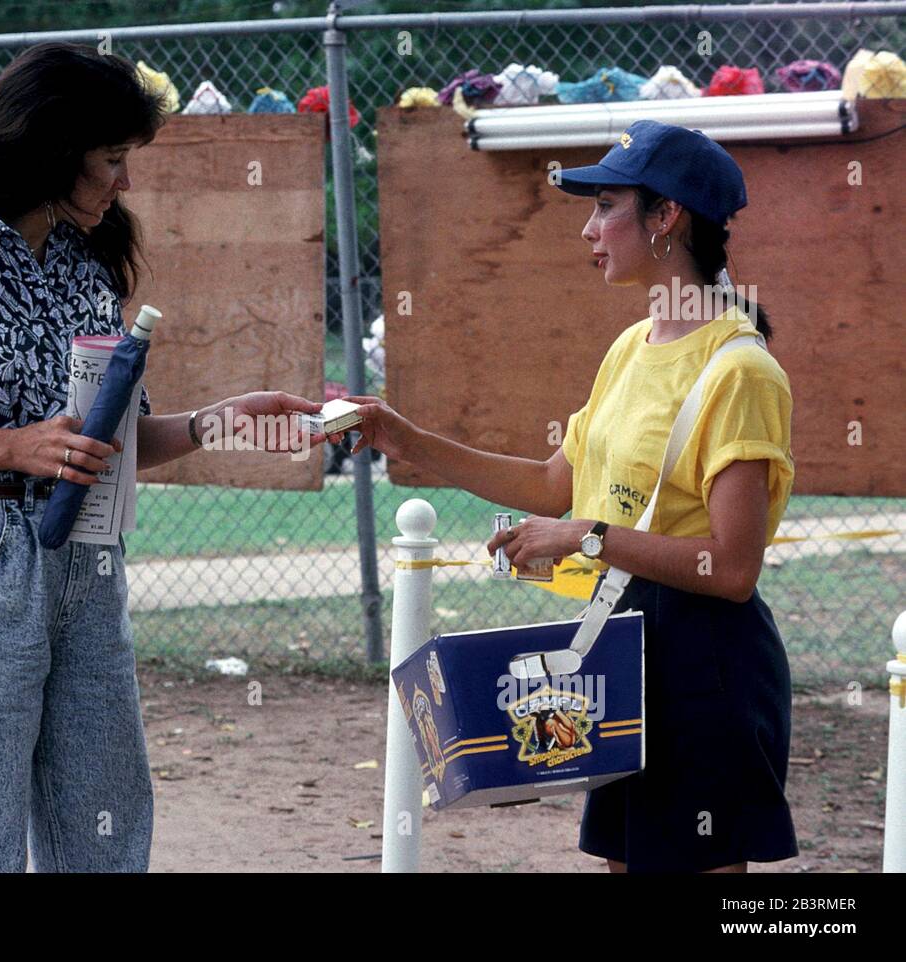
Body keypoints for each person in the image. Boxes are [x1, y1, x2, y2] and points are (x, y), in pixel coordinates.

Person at [0, 42, 323, 873]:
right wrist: (12, 446)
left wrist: (222, 421)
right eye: (112, 159)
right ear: (49, 146)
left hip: (88, 562)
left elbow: (103, 446)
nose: (125, 183)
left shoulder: (86, 267)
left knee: (106, 828)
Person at [340, 120, 797, 873]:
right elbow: (556, 483)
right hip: (624, 642)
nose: (589, 229)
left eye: (606, 205)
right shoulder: (632, 345)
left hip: (706, 662)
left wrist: (583, 536)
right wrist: (405, 438)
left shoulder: (739, 371)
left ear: (666, 217)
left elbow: (733, 567)